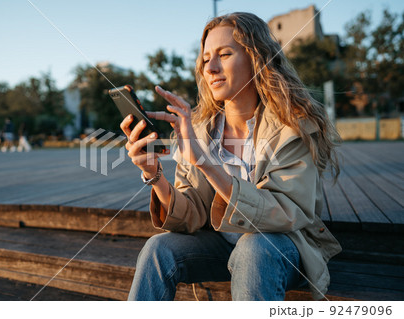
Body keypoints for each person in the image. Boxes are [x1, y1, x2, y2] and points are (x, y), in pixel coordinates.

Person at [120, 12, 342, 301]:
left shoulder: (292, 127)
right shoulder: (199, 131)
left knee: (253, 248)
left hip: (282, 249)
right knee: (157, 249)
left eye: (224, 54)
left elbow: (284, 213)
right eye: (206, 58)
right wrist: (155, 175)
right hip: (222, 247)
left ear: (255, 59)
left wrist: (206, 163)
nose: (210, 68)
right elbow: (191, 216)